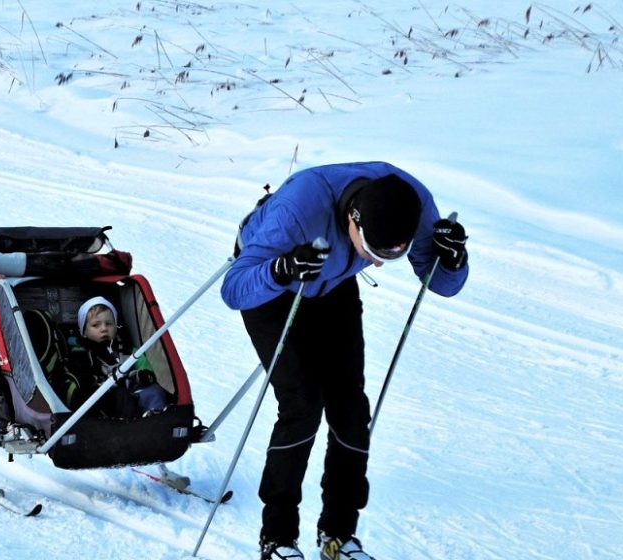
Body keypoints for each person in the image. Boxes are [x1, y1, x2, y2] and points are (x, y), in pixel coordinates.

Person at [221, 163, 469, 560]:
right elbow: (234, 289)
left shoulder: (412, 203)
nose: (376, 264)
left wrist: (452, 260)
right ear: (354, 219)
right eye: (370, 252)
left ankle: (338, 537)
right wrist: (280, 269)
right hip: (274, 284)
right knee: (302, 405)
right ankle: (278, 539)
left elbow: (439, 283)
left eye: (388, 256)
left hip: (332, 281)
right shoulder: (299, 207)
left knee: (351, 409)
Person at [66, 296, 169, 418]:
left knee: (154, 392)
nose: (104, 329)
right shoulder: (81, 354)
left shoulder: (127, 348)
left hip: (133, 390)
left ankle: (157, 418)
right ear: (83, 331)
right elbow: (82, 379)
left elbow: (144, 367)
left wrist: (143, 376)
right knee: (118, 396)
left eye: (109, 324)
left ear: (116, 326)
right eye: (96, 325)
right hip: (104, 398)